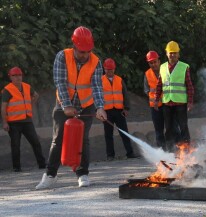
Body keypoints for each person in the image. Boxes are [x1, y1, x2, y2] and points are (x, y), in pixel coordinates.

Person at [36, 26, 107, 190]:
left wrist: (100, 108)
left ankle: (82, 174)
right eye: (81, 52)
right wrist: (66, 105)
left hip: (86, 106)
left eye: (88, 51)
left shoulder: (95, 62)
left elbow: (96, 87)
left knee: (83, 140)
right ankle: (50, 175)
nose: (85, 55)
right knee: (58, 139)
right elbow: (60, 82)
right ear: (74, 47)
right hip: (63, 105)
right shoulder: (62, 56)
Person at [1, 67, 46, 172]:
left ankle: (42, 164)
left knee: (35, 142)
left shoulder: (27, 87)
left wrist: (29, 105)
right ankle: (17, 167)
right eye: (14, 76)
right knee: (15, 145)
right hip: (13, 123)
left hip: (27, 121)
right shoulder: (7, 90)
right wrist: (5, 122)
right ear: (10, 77)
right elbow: (3, 107)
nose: (17, 77)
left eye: (19, 75)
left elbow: (36, 95)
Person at [154, 41, 194, 152]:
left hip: (180, 104)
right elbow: (159, 85)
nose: (172, 55)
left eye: (175, 53)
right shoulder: (162, 67)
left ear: (178, 54)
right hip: (167, 103)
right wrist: (156, 100)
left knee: (183, 126)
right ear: (166, 54)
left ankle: (186, 150)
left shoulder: (184, 67)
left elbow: (189, 86)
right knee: (169, 129)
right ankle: (171, 150)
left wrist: (190, 102)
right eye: (170, 53)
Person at [102, 58, 137, 160]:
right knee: (108, 135)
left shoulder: (119, 80)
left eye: (111, 69)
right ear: (104, 69)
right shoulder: (100, 81)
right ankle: (110, 155)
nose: (110, 71)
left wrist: (126, 108)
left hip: (119, 111)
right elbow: (97, 96)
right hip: (106, 111)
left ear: (114, 69)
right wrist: (98, 110)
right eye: (108, 69)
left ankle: (130, 153)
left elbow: (125, 95)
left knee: (124, 132)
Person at [144, 51, 166, 149]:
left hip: (167, 105)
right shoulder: (147, 74)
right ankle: (162, 151)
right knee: (158, 130)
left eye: (155, 62)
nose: (153, 64)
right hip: (155, 107)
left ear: (159, 61)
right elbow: (146, 90)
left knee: (171, 128)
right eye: (151, 63)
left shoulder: (166, 71)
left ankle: (172, 149)